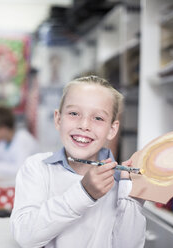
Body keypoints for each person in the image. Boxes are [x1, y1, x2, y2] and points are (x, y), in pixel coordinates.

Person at [10, 75, 146, 247]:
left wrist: (129, 197)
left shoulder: (122, 182)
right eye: (74, 113)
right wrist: (83, 193)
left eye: (98, 118)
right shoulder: (37, 167)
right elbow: (25, 236)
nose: (84, 125)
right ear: (58, 119)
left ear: (112, 129)